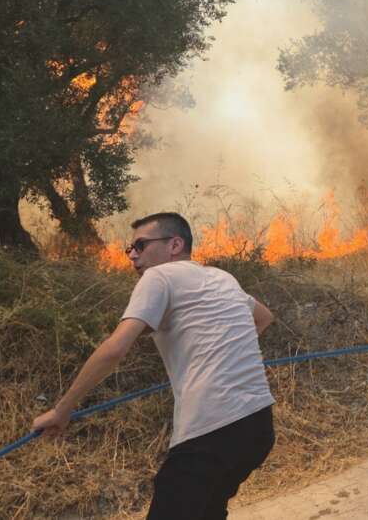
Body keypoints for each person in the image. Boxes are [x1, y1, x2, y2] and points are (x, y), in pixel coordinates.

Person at [33, 212, 277, 520]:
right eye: (130, 249)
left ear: (175, 245)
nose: (133, 255)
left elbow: (114, 350)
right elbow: (264, 317)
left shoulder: (159, 276)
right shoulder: (221, 277)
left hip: (212, 428)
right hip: (258, 427)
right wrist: (221, 352)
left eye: (141, 245)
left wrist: (62, 410)